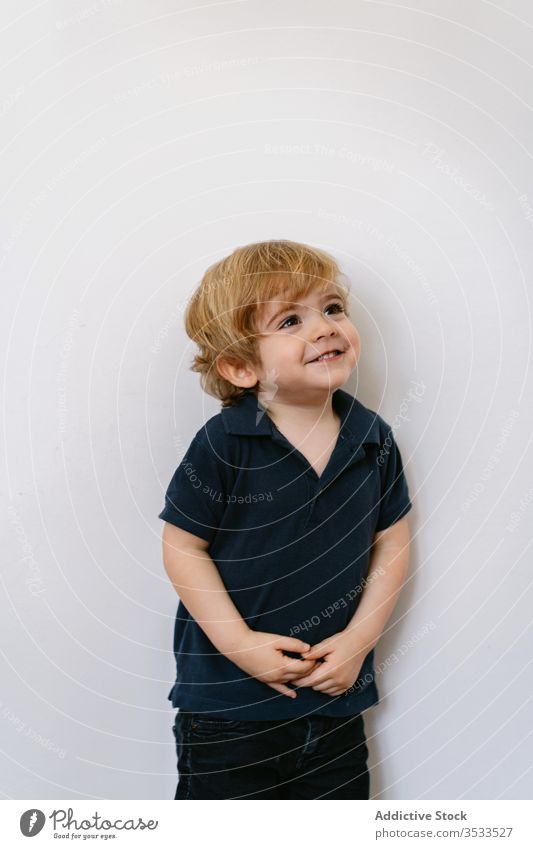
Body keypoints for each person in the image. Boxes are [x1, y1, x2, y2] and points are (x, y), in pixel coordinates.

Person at [158, 239, 412, 799]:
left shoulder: (372, 439)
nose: (323, 328)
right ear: (241, 367)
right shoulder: (226, 442)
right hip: (228, 710)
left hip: (334, 700)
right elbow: (182, 547)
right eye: (291, 319)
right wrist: (241, 645)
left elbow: (392, 542)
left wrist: (359, 642)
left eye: (333, 308)